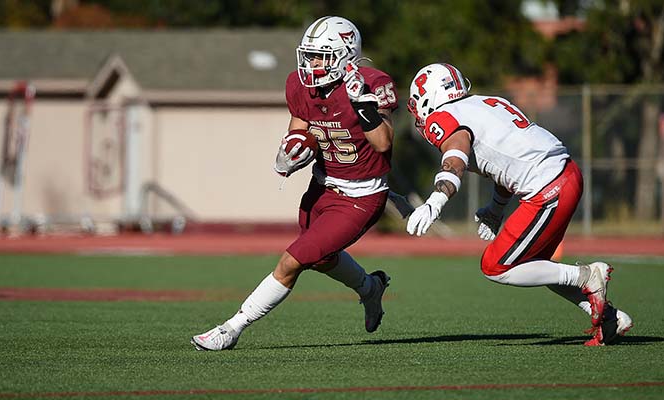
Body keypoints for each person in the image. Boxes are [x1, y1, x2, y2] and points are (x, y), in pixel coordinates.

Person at [191, 16, 398, 351]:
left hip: (361, 196)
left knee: (292, 261)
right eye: (309, 55)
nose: (311, 63)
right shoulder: (301, 86)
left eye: (320, 56)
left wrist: (362, 103)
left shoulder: (372, 82)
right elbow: (299, 130)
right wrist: (290, 153)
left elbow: (383, 142)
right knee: (320, 258)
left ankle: (231, 328)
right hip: (322, 186)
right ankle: (369, 288)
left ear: (345, 55)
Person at [403, 63, 632, 346]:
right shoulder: (487, 102)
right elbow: (507, 166)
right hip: (566, 174)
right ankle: (609, 318)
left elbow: (455, 158)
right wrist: (495, 210)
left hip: (548, 186)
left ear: (429, 97)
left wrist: (435, 202)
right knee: (537, 266)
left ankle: (588, 275)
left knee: (495, 266)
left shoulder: (444, 116)